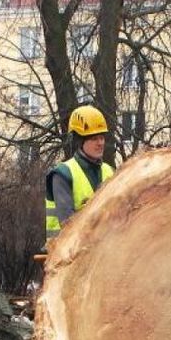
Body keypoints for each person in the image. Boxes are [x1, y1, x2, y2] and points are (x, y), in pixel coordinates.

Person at [44, 105, 115, 248]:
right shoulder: (63, 173)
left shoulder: (110, 172)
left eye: (102, 137)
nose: (100, 143)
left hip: (102, 251)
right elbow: (67, 224)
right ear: (80, 141)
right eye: (94, 138)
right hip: (64, 255)